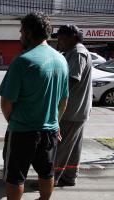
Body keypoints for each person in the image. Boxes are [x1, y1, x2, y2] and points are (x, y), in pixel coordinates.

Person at [0, 12, 69, 200]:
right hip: (50, 132)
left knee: (15, 177)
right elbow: (64, 100)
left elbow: (6, 102)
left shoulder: (23, 61)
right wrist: (56, 123)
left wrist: (13, 122)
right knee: (47, 173)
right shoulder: (61, 60)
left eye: (21, 32)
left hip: (22, 131)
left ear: (29, 33)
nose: (20, 36)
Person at [54, 25, 92, 187]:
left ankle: (51, 179)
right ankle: (69, 177)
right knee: (73, 147)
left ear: (73, 37)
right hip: (78, 110)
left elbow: (72, 79)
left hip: (71, 111)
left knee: (60, 147)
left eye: (62, 37)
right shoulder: (72, 51)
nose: (59, 40)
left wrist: (54, 101)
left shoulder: (77, 52)